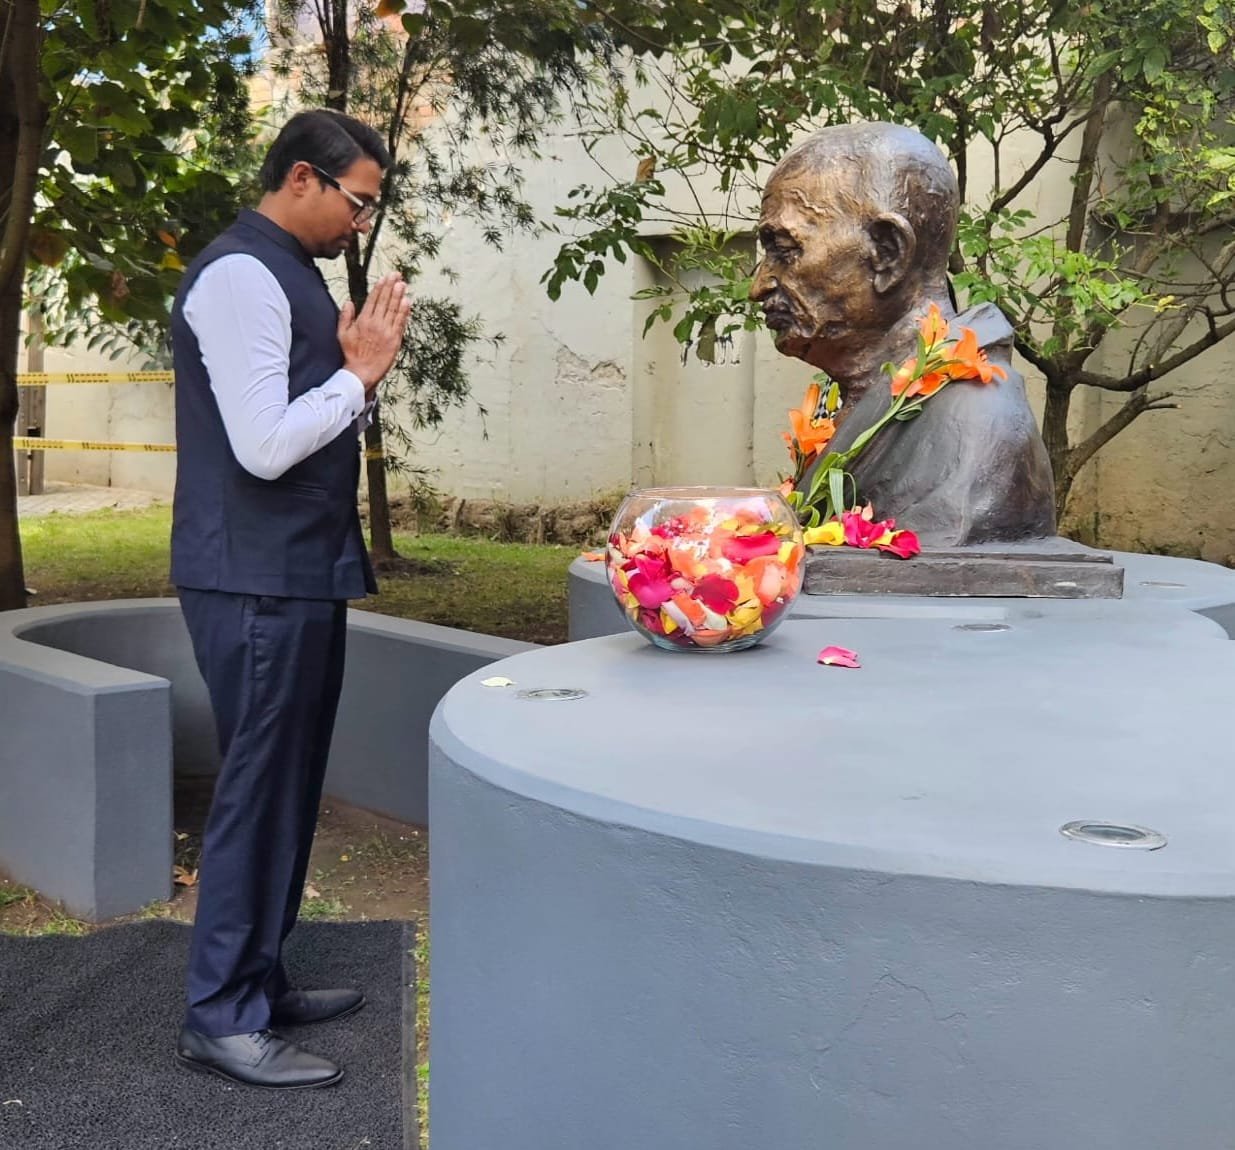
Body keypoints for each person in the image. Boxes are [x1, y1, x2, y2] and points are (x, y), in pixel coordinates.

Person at [169, 109, 411, 1090]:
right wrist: (357, 375)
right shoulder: (238, 275)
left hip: (296, 573)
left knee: (291, 785)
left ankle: (258, 979)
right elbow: (262, 443)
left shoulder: (288, 272)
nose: (364, 220)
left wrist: (349, 368)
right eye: (358, 200)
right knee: (255, 793)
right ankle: (219, 1015)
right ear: (302, 179)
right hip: (254, 580)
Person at [750, 121, 1056, 546]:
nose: (759, 286)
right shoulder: (861, 397)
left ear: (887, 253)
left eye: (784, 250)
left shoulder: (979, 426)